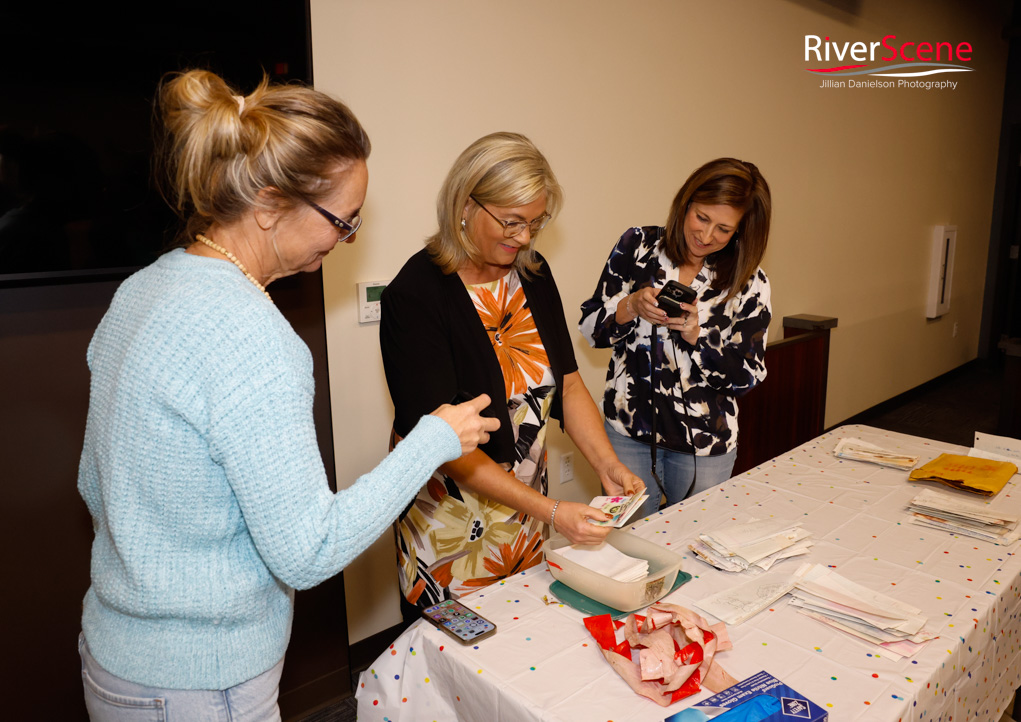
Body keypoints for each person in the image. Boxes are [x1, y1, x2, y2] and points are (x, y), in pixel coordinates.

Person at [76, 69, 498, 722]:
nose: (343, 240)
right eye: (342, 221)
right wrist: (432, 442)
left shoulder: (142, 290)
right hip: (201, 682)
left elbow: (93, 484)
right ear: (270, 204)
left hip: (115, 658)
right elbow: (308, 552)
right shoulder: (253, 338)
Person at [380, 132, 645, 617]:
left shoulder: (532, 273)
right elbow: (444, 445)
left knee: (523, 635)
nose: (523, 238)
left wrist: (605, 462)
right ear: (465, 204)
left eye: (535, 224)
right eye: (511, 222)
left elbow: (566, 382)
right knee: (455, 662)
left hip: (524, 510)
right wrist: (553, 512)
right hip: (449, 523)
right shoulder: (415, 296)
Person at [579, 158, 772, 517]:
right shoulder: (636, 246)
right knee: (629, 544)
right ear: (685, 203)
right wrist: (631, 305)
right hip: (627, 432)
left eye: (724, 229)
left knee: (696, 546)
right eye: (701, 218)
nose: (707, 236)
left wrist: (697, 337)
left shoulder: (749, 281)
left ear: (740, 232)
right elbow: (590, 329)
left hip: (705, 443)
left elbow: (748, 375)